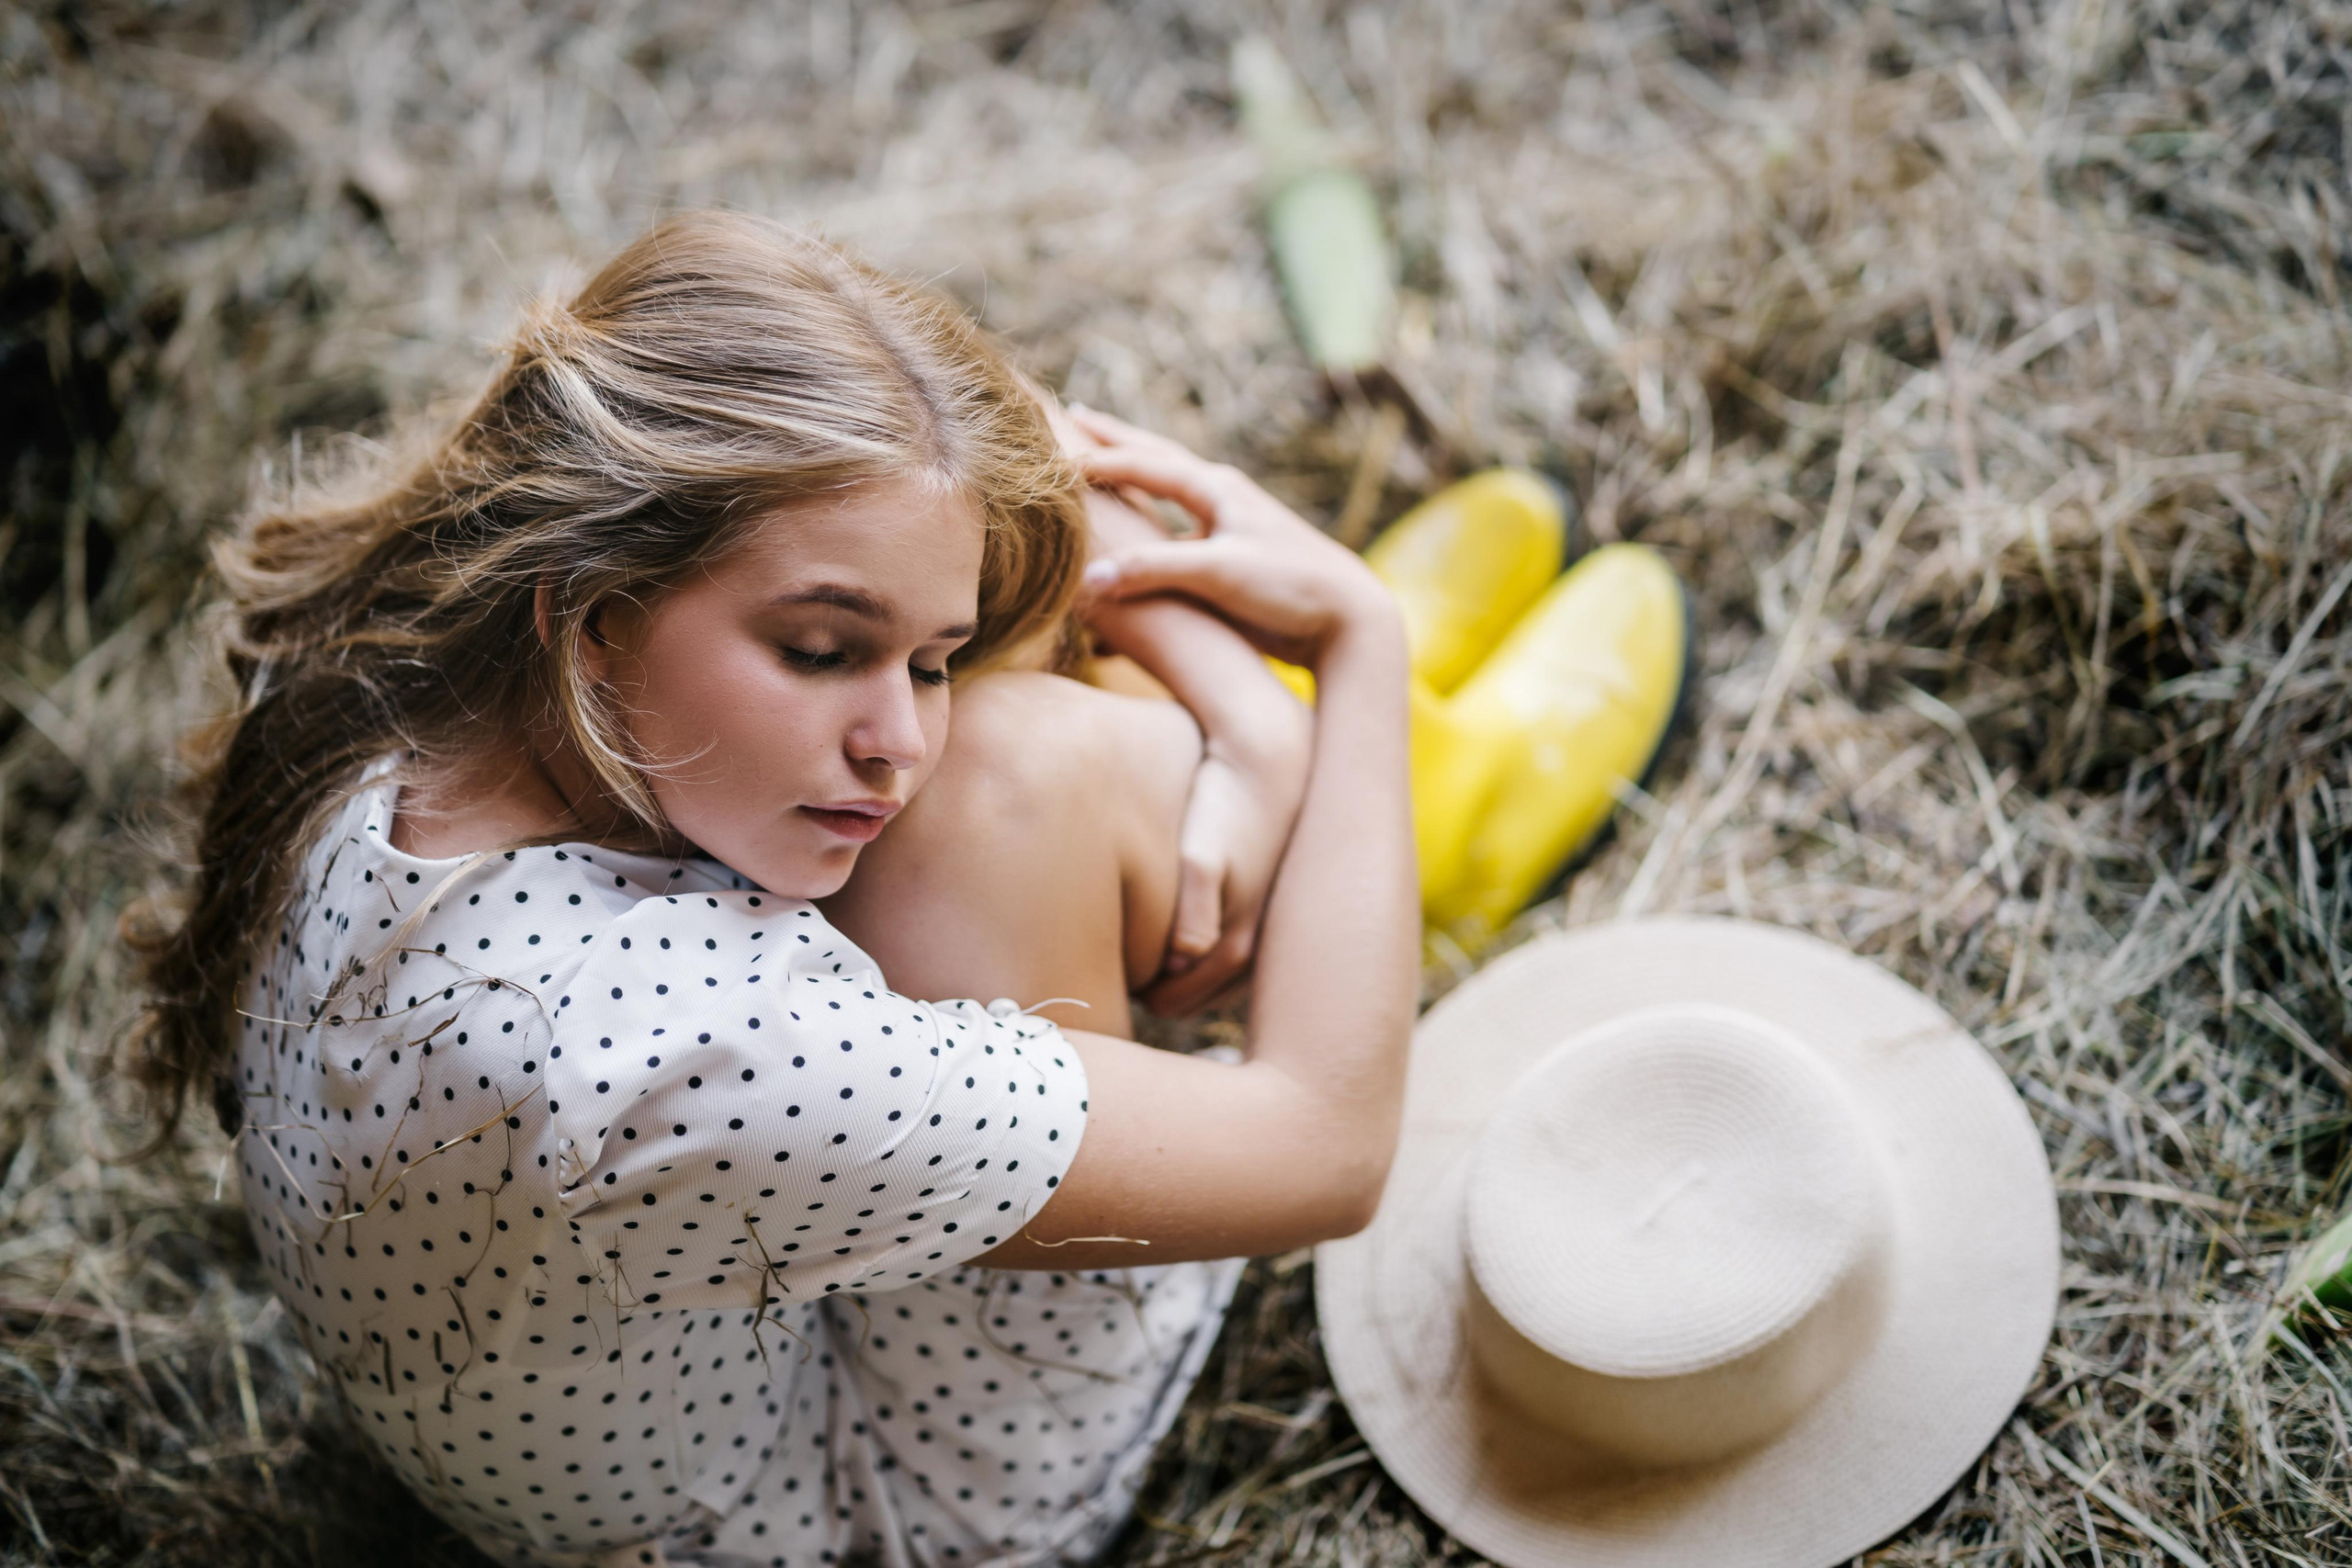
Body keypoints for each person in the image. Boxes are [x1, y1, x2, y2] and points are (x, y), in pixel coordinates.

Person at [126, 210, 1418, 1568]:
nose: (895, 740)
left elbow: (962, 450)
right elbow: (1328, 1149)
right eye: (818, 649)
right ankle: (1334, 803)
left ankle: (1214, 769)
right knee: (1016, 770)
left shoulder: (412, 632)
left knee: (991, 728)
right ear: (599, 608)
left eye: (927, 660)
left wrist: (1251, 726)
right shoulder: (683, 1050)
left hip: (615, 1326)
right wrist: (1355, 646)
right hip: (883, 1495)